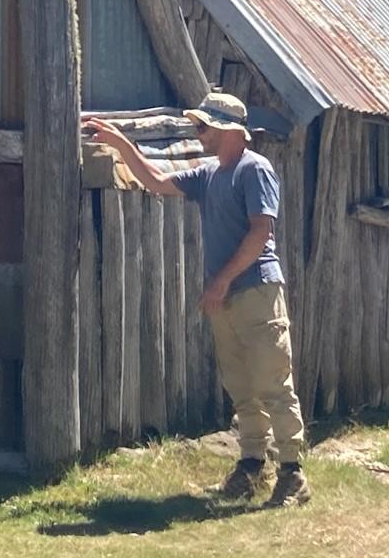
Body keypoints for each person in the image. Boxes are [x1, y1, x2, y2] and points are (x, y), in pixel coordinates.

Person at [85, 93, 309, 506]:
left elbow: (261, 232)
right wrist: (121, 144)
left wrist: (220, 282)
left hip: (257, 292)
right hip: (226, 296)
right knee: (241, 386)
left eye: (203, 126)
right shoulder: (208, 174)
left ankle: (292, 474)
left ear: (226, 128)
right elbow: (155, 180)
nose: (198, 133)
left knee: (273, 383)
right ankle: (251, 467)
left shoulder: (254, 169)